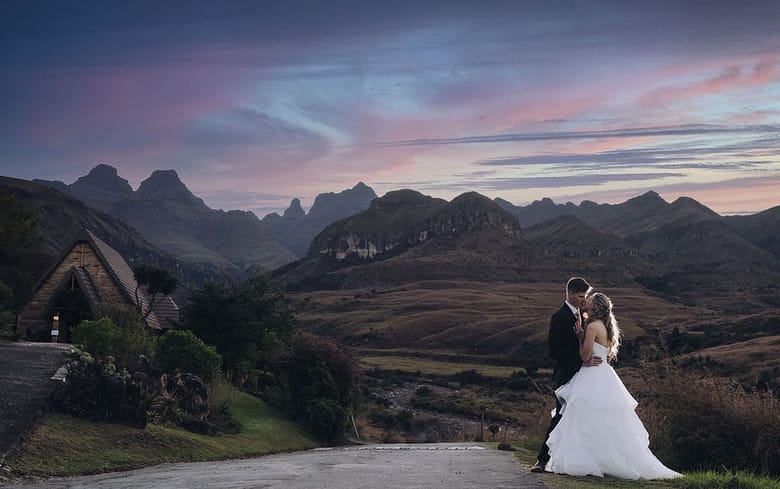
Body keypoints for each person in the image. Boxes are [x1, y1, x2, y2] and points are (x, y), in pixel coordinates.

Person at [545, 292, 681, 479]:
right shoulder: (606, 327)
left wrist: (579, 337)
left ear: (595, 307)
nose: (586, 301)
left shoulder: (592, 326)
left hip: (592, 374)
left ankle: (590, 459)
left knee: (586, 417)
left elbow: (584, 357)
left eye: (590, 300)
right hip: (604, 374)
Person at [531, 277, 602, 473]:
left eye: (585, 296)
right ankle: (542, 460)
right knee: (560, 417)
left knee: (581, 418)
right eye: (581, 296)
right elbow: (554, 350)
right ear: (570, 293)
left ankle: (577, 460)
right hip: (566, 376)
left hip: (583, 377)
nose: (583, 299)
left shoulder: (582, 314)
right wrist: (582, 362)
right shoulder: (560, 317)